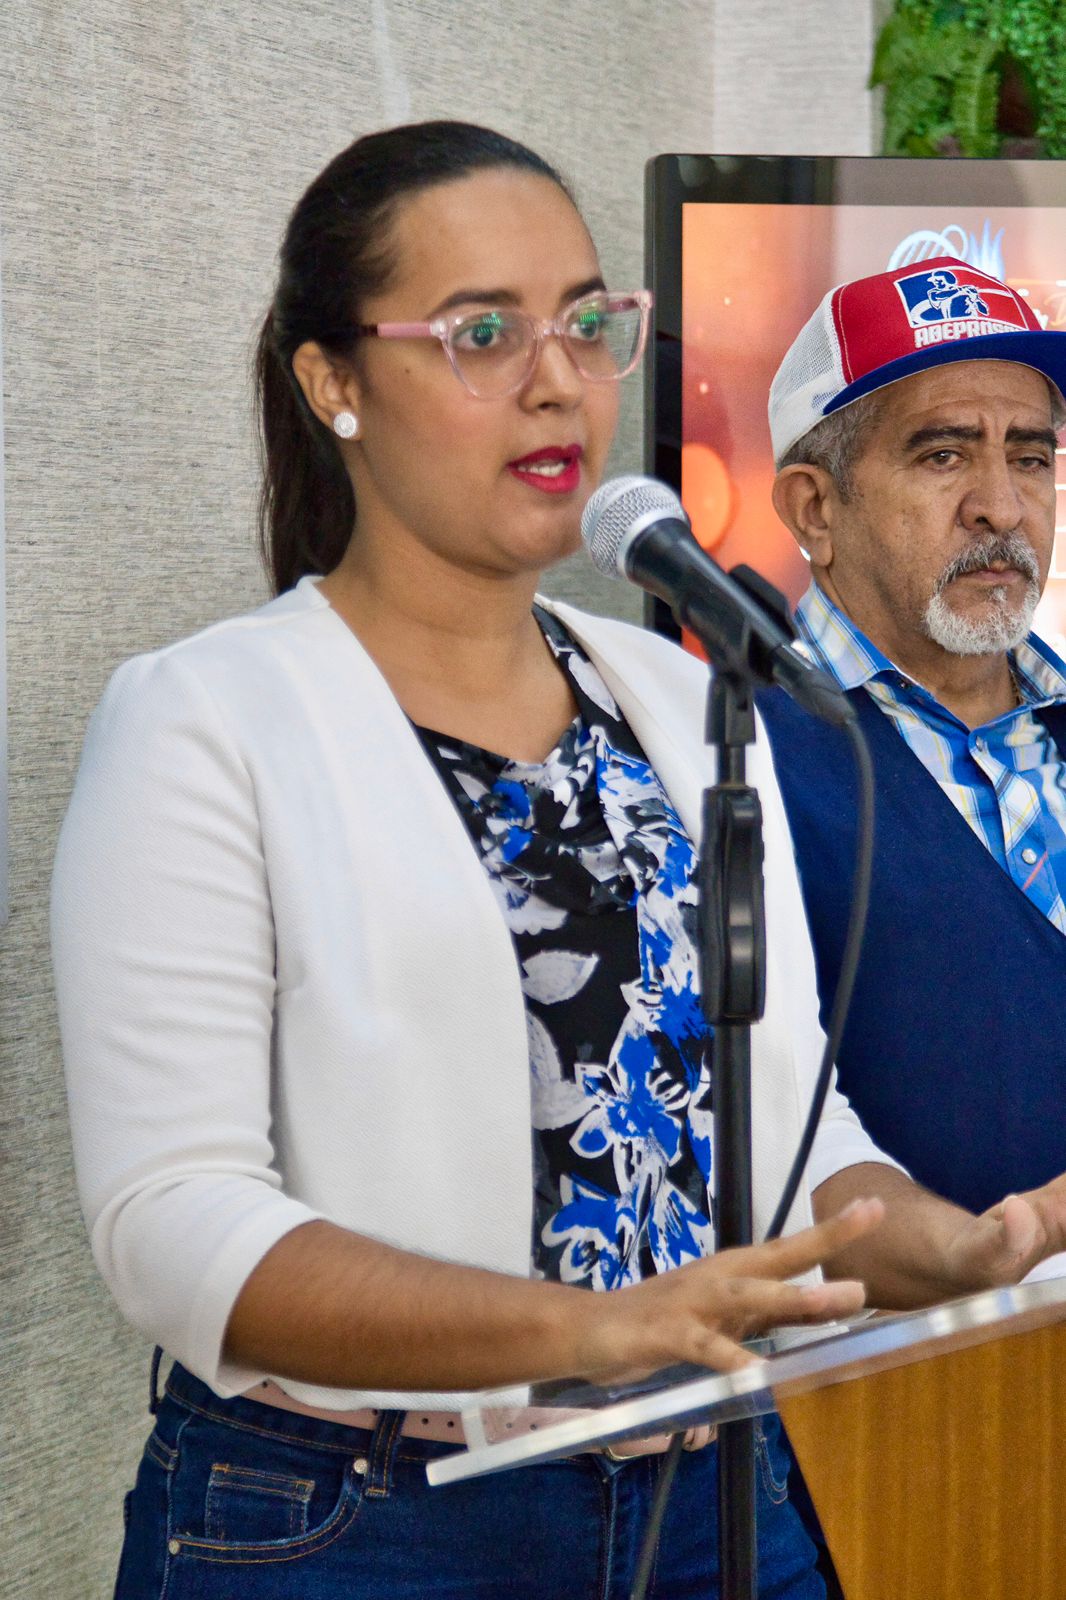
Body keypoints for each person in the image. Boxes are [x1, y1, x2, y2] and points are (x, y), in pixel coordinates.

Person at [51, 134, 1066, 1600]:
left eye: (587, 326)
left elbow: (791, 1131)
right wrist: (584, 1328)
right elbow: (172, 1227)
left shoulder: (675, 698)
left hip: (708, 1494)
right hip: (359, 1523)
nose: (556, 382)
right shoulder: (205, 718)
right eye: (482, 334)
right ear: (332, 383)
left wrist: (954, 1248)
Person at [761, 256, 1066, 1218]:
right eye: (943, 456)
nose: (1002, 506)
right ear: (815, 509)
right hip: (902, 1320)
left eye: (1031, 457)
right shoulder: (729, 754)